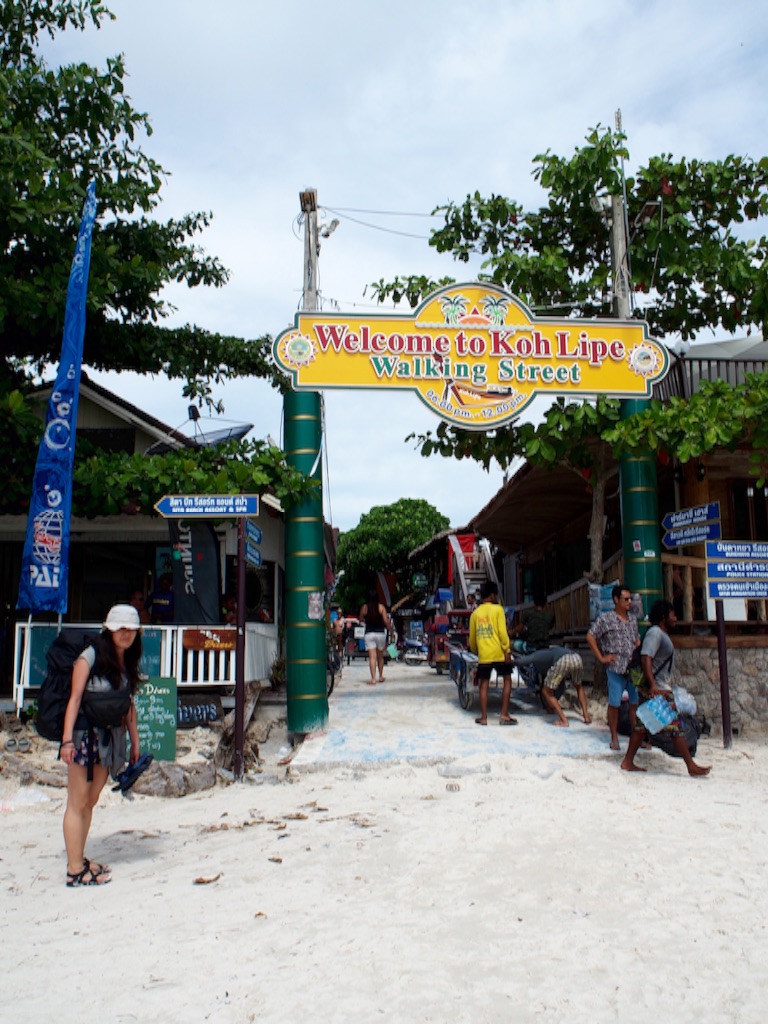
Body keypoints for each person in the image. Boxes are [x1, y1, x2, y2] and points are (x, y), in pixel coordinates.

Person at [60, 604, 143, 887]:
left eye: (131, 629)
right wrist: (67, 741)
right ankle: (74, 870)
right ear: (109, 629)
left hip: (109, 738)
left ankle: (79, 858)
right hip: (84, 736)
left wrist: (135, 741)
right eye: (121, 628)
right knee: (77, 802)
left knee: (91, 800)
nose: (126, 634)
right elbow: (74, 699)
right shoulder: (90, 657)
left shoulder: (126, 661)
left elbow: (127, 703)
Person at [621, 600, 711, 776]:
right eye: (672, 615)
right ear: (664, 617)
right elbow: (647, 657)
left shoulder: (660, 633)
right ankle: (690, 766)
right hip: (659, 689)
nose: (675, 618)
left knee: (641, 727)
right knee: (676, 728)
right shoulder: (655, 633)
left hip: (656, 687)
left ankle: (627, 761)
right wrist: (653, 684)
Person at [586, 583, 640, 752]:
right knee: (614, 703)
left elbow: (636, 639)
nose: (629, 602)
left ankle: (637, 736)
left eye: (630, 599)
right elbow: (590, 636)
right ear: (616, 600)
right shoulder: (606, 619)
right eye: (626, 599)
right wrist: (602, 657)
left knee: (635, 704)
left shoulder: (632, 619)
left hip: (632, 668)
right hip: (615, 668)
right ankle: (614, 737)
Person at [469, 580, 516, 726]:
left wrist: (477, 651)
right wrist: (507, 650)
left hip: (484, 655)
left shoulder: (475, 614)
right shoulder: (498, 610)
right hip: (499, 653)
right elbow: (503, 633)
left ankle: (484, 718)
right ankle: (504, 714)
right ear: (491, 596)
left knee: (484, 685)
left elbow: (472, 638)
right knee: (507, 680)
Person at [540, 650, 592, 727]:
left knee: (546, 691)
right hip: (576, 657)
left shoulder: (539, 655)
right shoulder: (556, 650)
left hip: (563, 661)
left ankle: (564, 720)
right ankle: (586, 716)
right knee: (579, 686)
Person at [360, 590, 391, 685]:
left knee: (372, 657)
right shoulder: (381, 607)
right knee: (380, 657)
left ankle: (373, 679)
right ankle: (380, 676)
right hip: (380, 633)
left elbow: (360, 619)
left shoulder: (364, 607)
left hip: (369, 633)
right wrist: (392, 631)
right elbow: (386, 621)